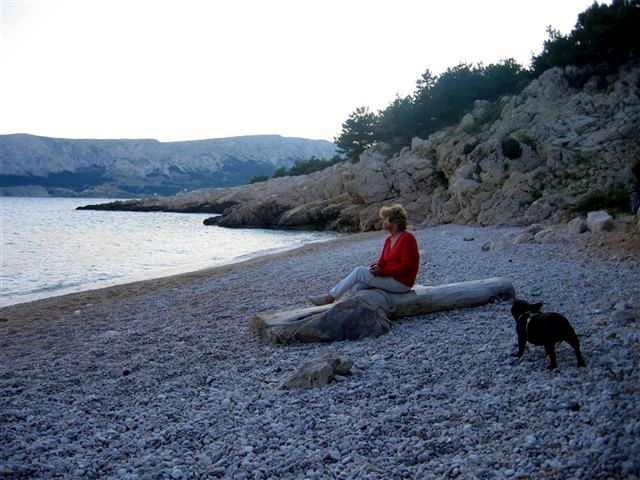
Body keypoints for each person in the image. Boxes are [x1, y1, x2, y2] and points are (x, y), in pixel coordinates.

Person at [309, 204, 420, 306]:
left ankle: (330, 298)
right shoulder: (389, 239)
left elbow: (406, 266)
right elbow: (382, 260)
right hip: (389, 277)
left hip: (401, 282)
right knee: (357, 286)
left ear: (392, 221)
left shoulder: (407, 238)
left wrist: (383, 272)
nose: (382, 222)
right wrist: (377, 266)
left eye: (384, 219)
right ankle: (350, 307)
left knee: (359, 271)